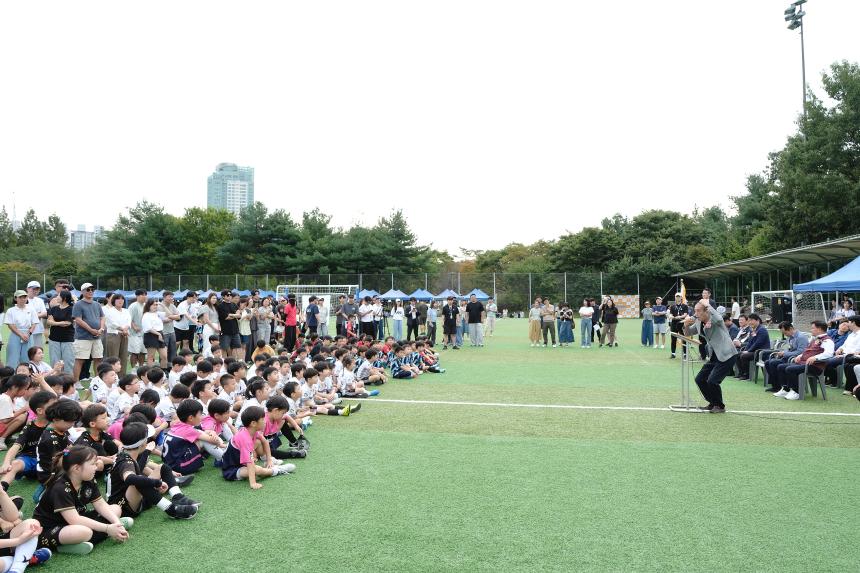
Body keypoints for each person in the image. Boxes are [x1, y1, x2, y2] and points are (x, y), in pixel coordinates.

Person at [32, 445, 130, 555]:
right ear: (77, 468)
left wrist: (117, 523)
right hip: (50, 529)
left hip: (75, 521)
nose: (96, 467)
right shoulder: (60, 488)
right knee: (85, 532)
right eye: (93, 464)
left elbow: (101, 505)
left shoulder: (88, 479)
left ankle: (113, 529)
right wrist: (107, 528)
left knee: (116, 509)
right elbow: (75, 520)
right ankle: (64, 546)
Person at [219, 406, 295, 488]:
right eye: (262, 419)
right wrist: (253, 483)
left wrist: (269, 460)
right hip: (231, 470)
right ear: (253, 423)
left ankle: (267, 462)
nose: (265, 421)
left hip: (240, 463)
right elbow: (250, 462)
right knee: (257, 469)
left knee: (258, 442)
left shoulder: (252, 431)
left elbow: (265, 442)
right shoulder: (245, 438)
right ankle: (276, 470)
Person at [683, 301, 738, 413]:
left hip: (727, 354)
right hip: (714, 355)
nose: (695, 313)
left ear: (706, 311)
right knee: (699, 379)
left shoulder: (716, 320)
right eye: (695, 310)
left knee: (712, 381)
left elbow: (718, 318)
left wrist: (707, 305)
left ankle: (720, 406)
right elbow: (688, 333)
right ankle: (712, 402)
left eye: (698, 311)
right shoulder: (698, 322)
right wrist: (686, 325)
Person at [772, 320, 834, 400]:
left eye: (812, 328)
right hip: (804, 363)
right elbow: (807, 351)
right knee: (781, 366)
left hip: (815, 366)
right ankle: (786, 389)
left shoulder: (827, 340)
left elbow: (829, 353)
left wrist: (816, 357)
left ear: (819, 329)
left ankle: (796, 391)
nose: (811, 330)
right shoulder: (815, 339)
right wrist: (800, 356)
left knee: (790, 369)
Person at [71, 284, 105, 383]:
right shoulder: (78, 304)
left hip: (97, 336)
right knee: (80, 360)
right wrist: (91, 329)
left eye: (92, 289)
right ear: (82, 292)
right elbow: (78, 319)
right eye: (88, 289)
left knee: (98, 359)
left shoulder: (97, 304)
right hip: (83, 337)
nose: (91, 291)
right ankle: (76, 382)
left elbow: (102, 317)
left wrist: (101, 329)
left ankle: (98, 381)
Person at [762, 322, 809, 392]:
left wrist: (785, 354)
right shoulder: (790, 337)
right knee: (767, 362)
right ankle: (775, 385)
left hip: (794, 359)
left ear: (790, 329)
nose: (785, 335)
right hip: (788, 357)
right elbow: (789, 348)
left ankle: (781, 386)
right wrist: (782, 352)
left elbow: (801, 352)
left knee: (773, 363)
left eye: (785, 333)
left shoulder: (801, 337)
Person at [4, 291, 38, 368]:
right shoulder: (11, 310)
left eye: (25, 297)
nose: (23, 299)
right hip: (15, 334)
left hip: (28, 335)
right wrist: (21, 334)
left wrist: (28, 334)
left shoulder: (31, 309)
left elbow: (34, 323)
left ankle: (26, 377)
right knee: (12, 356)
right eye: (20, 297)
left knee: (27, 357)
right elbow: (10, 325)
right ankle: (10, 377)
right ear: (15, 298)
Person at [46, 290, 75, 375]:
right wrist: (60, 323)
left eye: (58, 296)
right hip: (54, 338)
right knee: (55, 362)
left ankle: (67, 383)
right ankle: (55, 382)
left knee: (68, 362)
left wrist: (54, 323)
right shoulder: (54, 309)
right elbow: (48, 322)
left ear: (64, 298)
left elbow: (68, 323)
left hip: (67, 339)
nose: (56, 298)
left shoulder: (71, 309)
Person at [735, 313, 770, 381]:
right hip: (754, 351)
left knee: (744, 356)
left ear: (757, 321)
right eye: (749, 320)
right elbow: (750, 342)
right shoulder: (753, 330)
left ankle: (747, 375)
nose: (750, 322)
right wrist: (745, 350)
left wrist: (748, 351)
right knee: (737, 354)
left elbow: (758, 343)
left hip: (761, 352)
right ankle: (741, 374)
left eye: (752, 320)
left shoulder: (762, 330)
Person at [103, 294, 130, 376]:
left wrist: (125, 329)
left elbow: (128, 321)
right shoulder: (110, 310)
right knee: (113, 357)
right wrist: (122, 329)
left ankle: (122, 376)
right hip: (113, 335)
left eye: (122, 299)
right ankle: (112, 376)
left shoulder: (126, 311)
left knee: (123, 356)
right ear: (114, 301)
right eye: (118, 299)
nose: (120, 300)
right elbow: (112, 323)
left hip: (124, 335)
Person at [141, 299, 167, 368]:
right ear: (149, 306)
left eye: (156, 304)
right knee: (151, 357)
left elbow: (169, 314)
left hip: (160, 333)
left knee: (164, 356)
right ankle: (150, 374)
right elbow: (148, 328)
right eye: (153, 305)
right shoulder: (146, 315)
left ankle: (163, 372)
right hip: (151, 335)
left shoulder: (158, 313)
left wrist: (163, 305)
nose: (155, 306)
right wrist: (158, 334)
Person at [157, 291, 180, 362]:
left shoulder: (172, 306)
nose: (172, 298)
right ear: (164, 297)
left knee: (173, 350)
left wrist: (169, 318)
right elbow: (160, 320)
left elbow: (178, 317)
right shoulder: (159, 306)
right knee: (164, 351)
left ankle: (171, 366)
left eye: (172, 297)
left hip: (172, 331)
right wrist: (172, 317)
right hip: (163, 332)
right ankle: (163, 367)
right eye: (170, 297)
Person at [25, 281, 48, 350]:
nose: (35, 291)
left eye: (37, 289)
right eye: (33, 289)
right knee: (26, 349)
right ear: (27, 289)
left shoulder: (40, 300)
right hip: (25, 329)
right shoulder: (23, 299)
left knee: (37, 349)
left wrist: (33, 316)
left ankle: (37, 361)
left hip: (38, 329)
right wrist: (37, 315)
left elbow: (44, 313)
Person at [668, 294, 690, 359]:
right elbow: (671, 314)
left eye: (679, 297)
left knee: (684, 338)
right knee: (673, 338)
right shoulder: (672, 306)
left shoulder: (685, 306)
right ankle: (673, 353)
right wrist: (671, 316)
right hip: (674, 323)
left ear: (681, 298)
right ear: (675, 298)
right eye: (676, 297)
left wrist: (679, 317)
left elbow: (685, 314)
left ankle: (685, 354)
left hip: (681, 323)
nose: (677, 298)